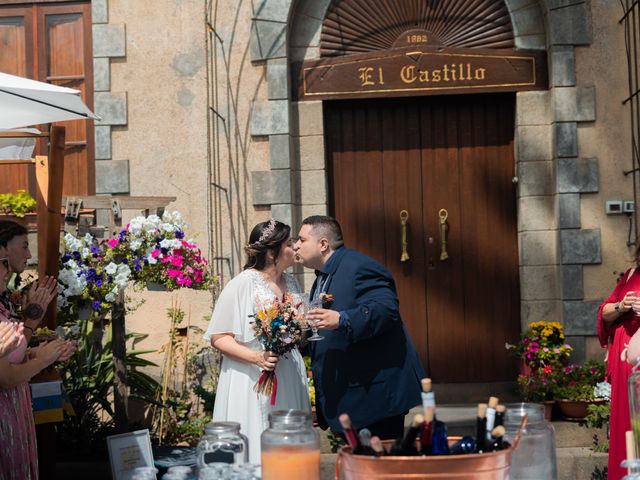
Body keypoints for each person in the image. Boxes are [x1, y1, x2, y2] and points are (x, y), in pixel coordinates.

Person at [293, 215, 425, 439]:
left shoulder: (358, 267)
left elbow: (386, 309)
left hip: (375, 396)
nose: (296, 245)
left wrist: (343, 319)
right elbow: (327, 326)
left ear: (323, 244)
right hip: (351, 399)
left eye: (302, 239)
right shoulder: (322, 277)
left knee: (381, 471)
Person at [204, 219, 311, 464]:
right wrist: (256, 358)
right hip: (251, 375)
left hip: (288, 373)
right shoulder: (242, 284)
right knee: (257, 433)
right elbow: (218, 337)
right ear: (272, 252)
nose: (295, 247)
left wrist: (302, 329)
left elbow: (298, 331)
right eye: (289, 242)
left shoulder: (292, 282)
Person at [0, 248, 74, 480]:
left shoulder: (2, 307)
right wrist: (42, 360)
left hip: (14, 410)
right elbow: (5, 378)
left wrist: (36, 353)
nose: (8, 269)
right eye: (2, 262)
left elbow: (11, 354)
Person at [598, 260, 640, 480]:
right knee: (624, 423)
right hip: (625, 359)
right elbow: (605, 312)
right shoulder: (632, 272)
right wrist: (620, 307)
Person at [0, 221, 58, 343]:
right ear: (4, 248)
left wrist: (25, 316)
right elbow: (12, 349)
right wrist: (32, 320)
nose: (29, 255)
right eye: (24, 247)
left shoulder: (6, 293)